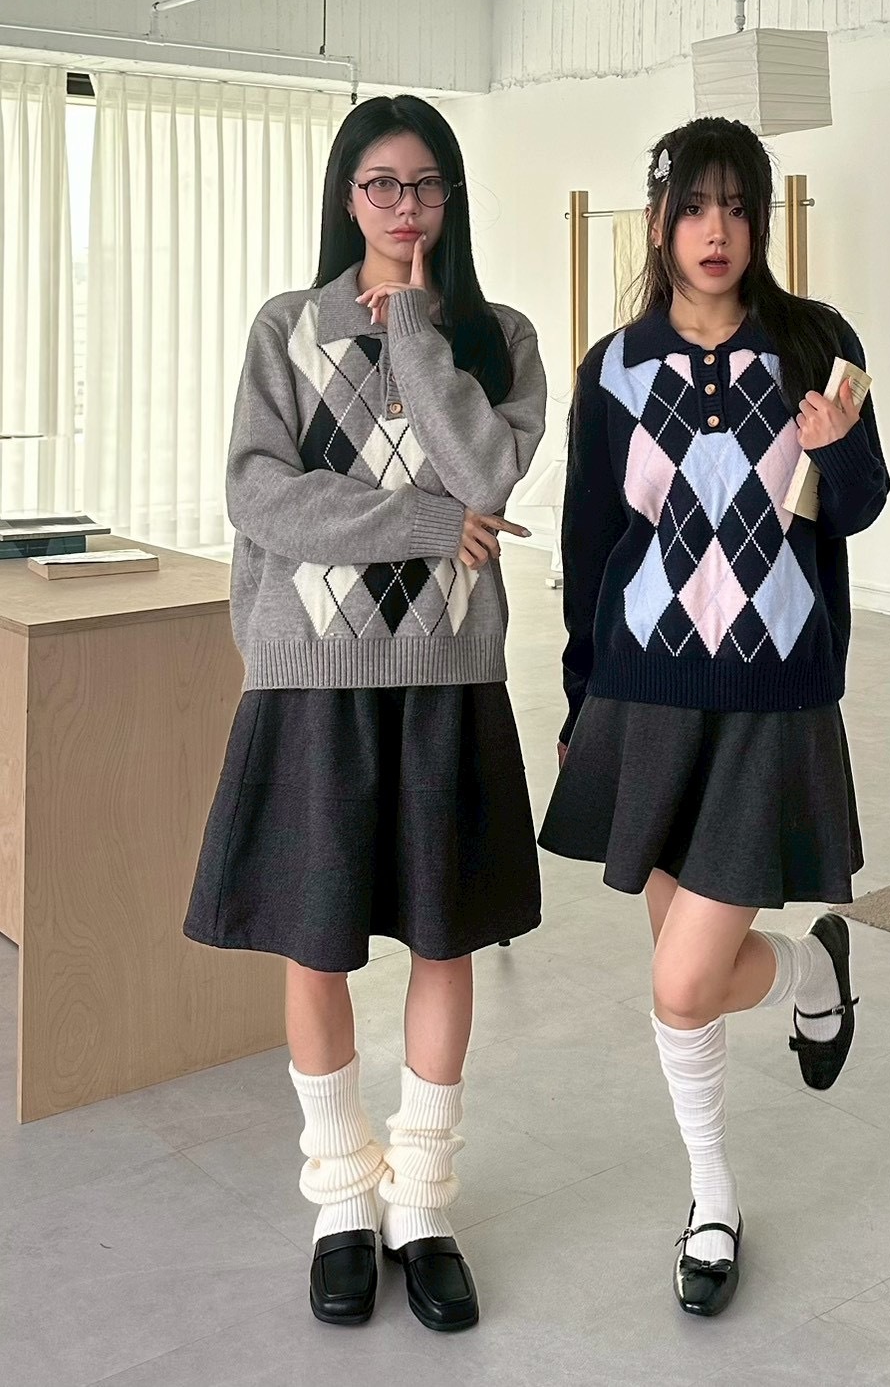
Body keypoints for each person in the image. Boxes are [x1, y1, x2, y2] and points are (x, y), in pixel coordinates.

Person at [184, 94, 547, 1333]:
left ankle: (423, 1204)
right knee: (318, 945)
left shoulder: (497, 337)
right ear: (346, 195)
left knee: (444, 945)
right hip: (315, 677)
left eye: (426, 184)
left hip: (446, 674)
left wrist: (416, 338)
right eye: (381, 184)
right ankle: (343, 1198)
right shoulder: (287, 327)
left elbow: (488, 469)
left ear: (451, 198)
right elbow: (260, 497)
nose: (405, 206)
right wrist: (428, 523)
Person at [540, 116, 889, 1317]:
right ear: (657, 220)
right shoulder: (612, 367)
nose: (717, 229)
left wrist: (842, 450)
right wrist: (580, 694)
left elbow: (858, 505)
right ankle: (716, 1180)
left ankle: (728, 1154)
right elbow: (591, 540)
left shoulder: (816, 343)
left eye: (738, 205)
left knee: (685, 982)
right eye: (694, 205)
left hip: (770, 691)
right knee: (677, 973)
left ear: (760, 220)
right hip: (644, 693)